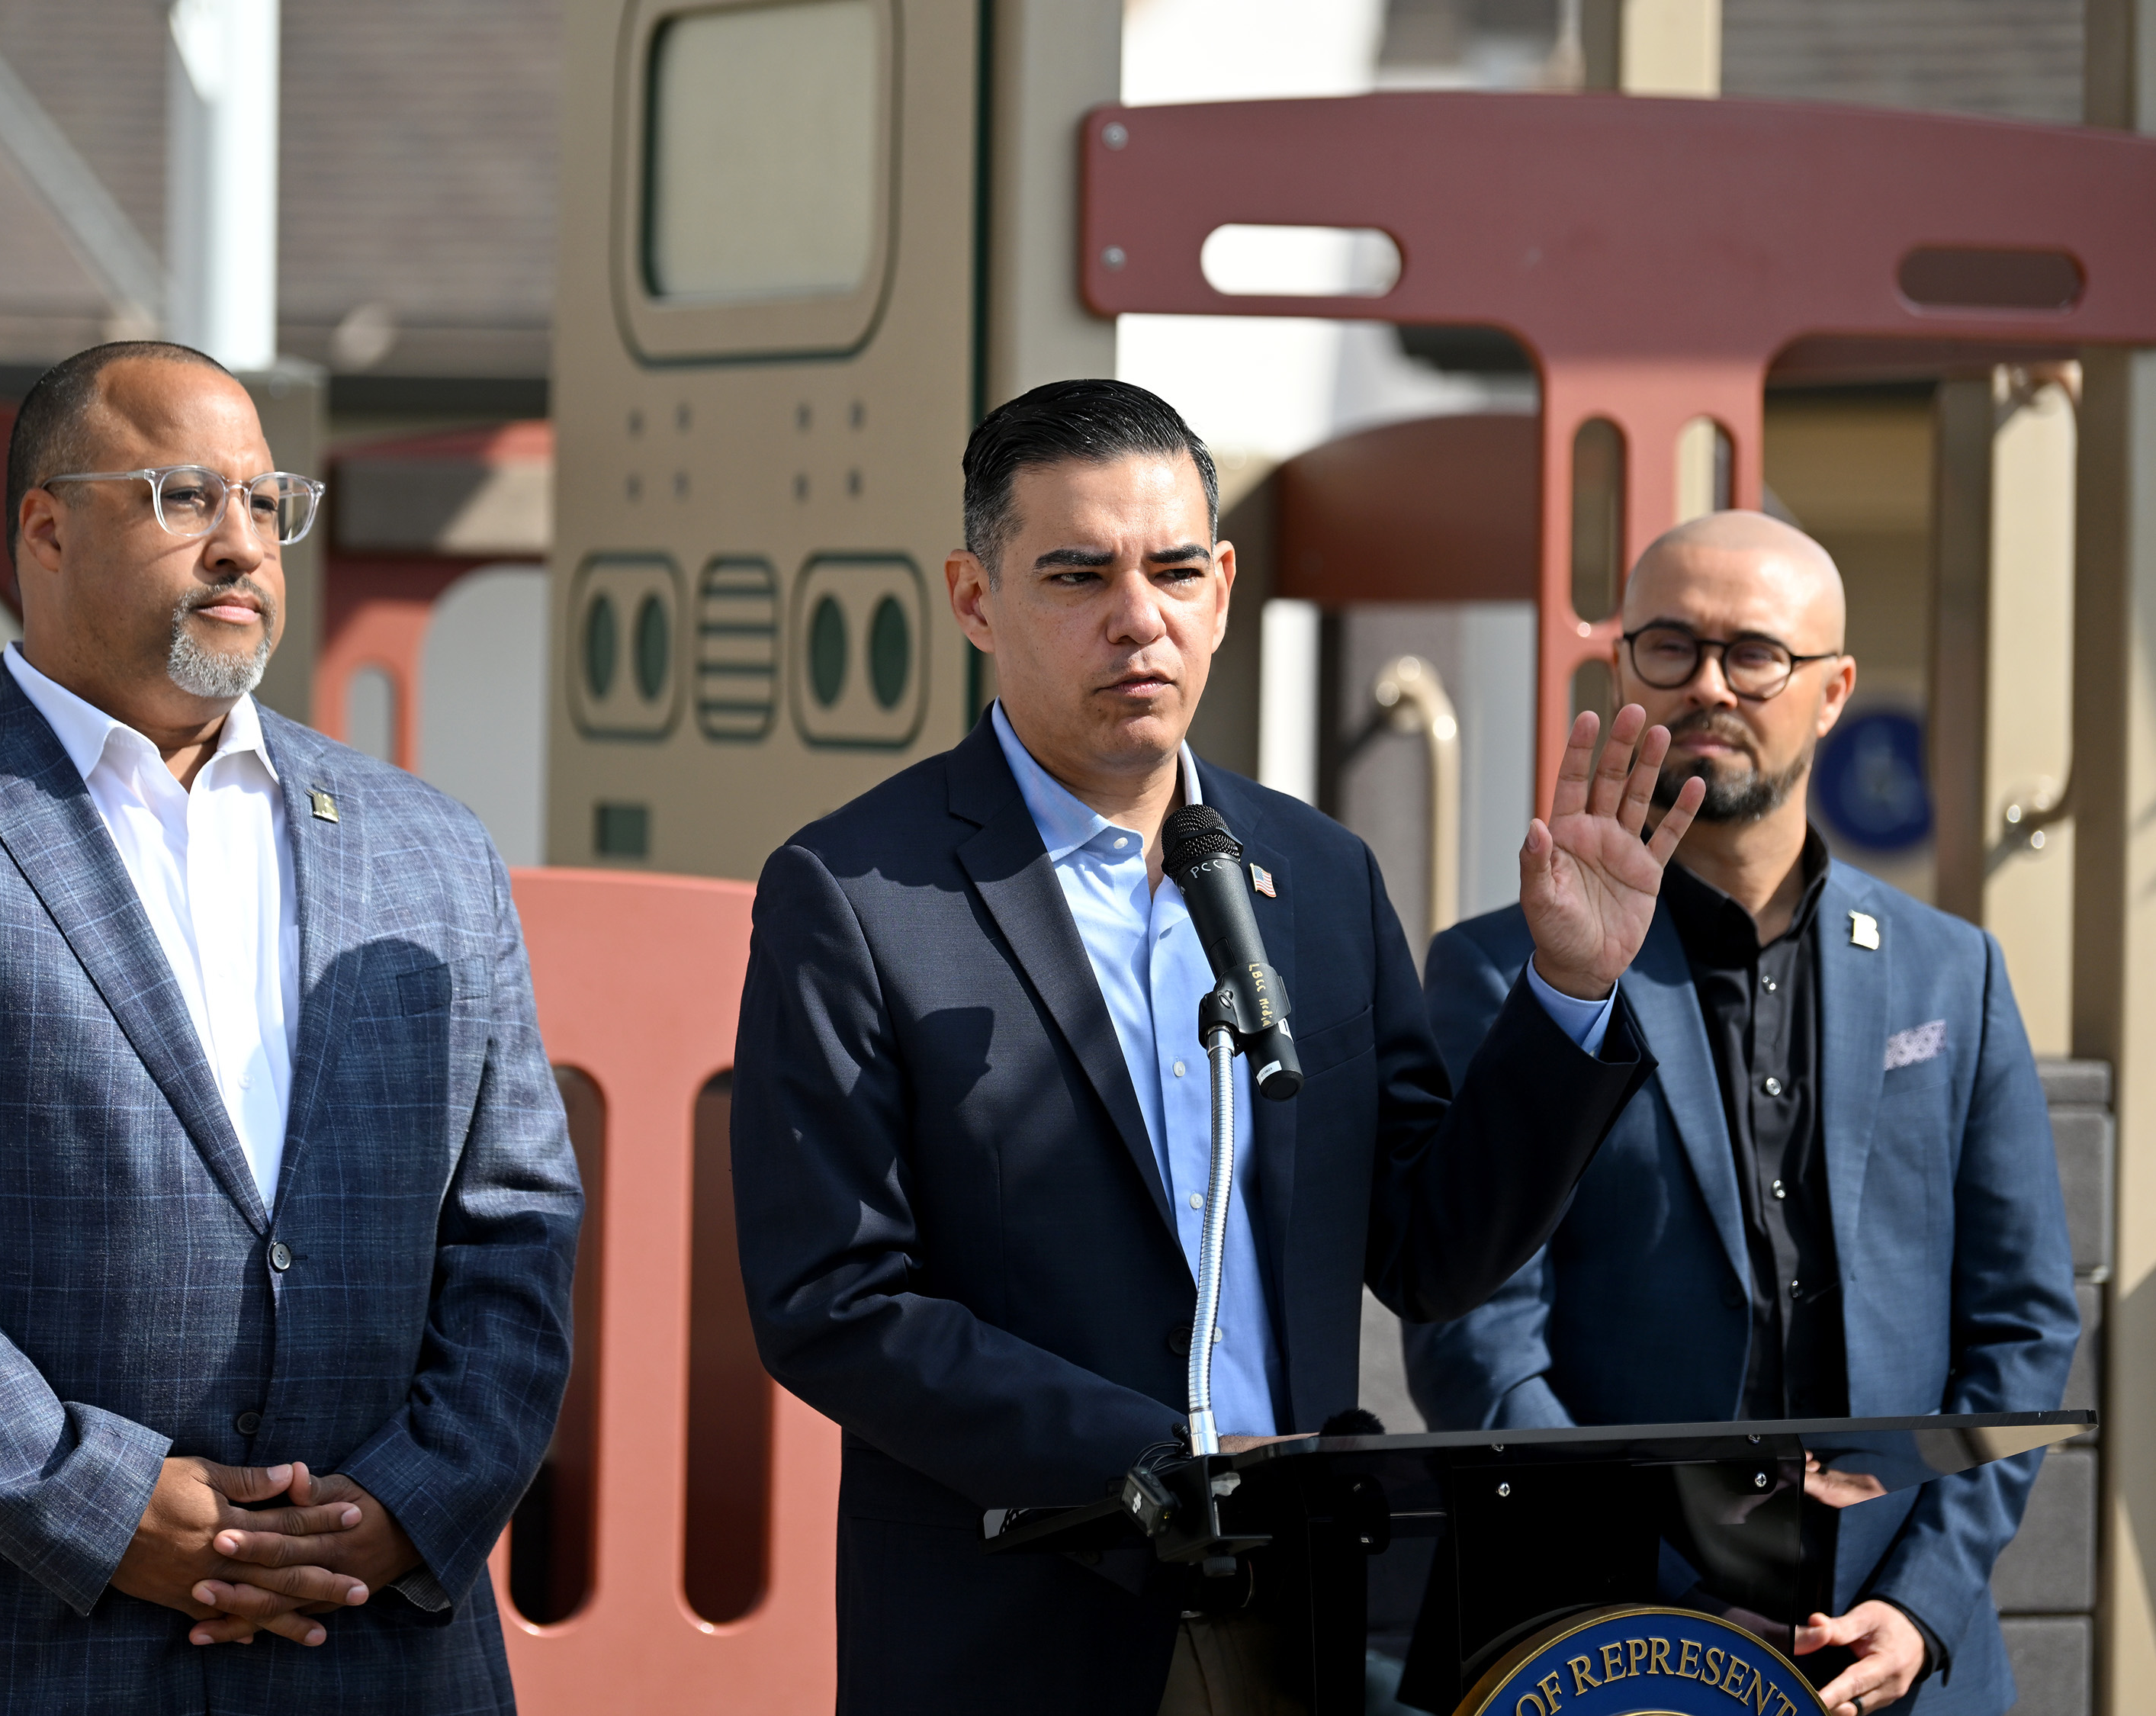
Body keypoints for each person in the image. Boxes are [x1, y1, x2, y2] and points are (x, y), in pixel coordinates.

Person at [729, 378, 1709, 1716]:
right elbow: (831, 1302)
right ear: (974, 598)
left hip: (1292, 1618)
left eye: (1174, 568)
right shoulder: (855, 891)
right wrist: (1162, 1454)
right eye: (1077, 574)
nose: (1139, 617)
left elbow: (1430, 1252)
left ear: (1223, 584)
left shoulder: (1316, 870)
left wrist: (1568, 994)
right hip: (1015, 1628)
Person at [0, 341, 580, 1713]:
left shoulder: (430, 846)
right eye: (183, 497)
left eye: (266, 503)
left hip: (360, 1643)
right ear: (45, 526)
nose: (241, 545)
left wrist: (417, 1498)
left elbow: (515, 1226)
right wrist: (107, 1509)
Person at [1406, 511, 2077, 1716]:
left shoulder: (1950, 971)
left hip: (1898, 1655)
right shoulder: (1506, 970)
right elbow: (1477, 1335)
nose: (1710, 684)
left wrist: (1922, 1605)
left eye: (1755, 652)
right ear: (1623, 670)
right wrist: (1667, 1601)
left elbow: (2022, 1327)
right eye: (1670, 646)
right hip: (1601, 1656)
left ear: (1835, 691)